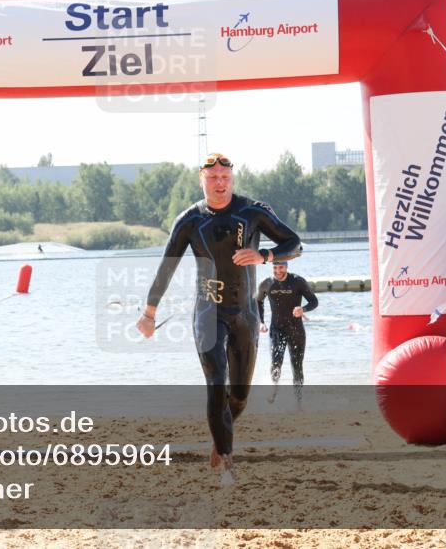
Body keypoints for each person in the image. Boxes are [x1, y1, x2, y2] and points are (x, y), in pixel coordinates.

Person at [136, 152, 302, 486]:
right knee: (216, 384)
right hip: (207, 311)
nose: (220, 183)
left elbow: (294, 244)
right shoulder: (190, 220)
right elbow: (167, 267)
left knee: (239, 396)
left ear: (232, 179)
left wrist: (264, 255)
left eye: (225, 176)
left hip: (245, 313)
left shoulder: (252, 212)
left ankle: (219, 436)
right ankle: (228, 463)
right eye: (213, 178)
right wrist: (149, 313)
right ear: (202, 180)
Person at [257, 260, 318, 405]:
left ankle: (298, 399)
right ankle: (274, 388)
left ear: (286, 266)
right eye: (275, 268)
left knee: (297, 365)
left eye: (281, 267)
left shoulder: (297, 281)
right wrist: (261, 322)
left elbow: (314, 301)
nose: (278, 271)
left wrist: (303, 309)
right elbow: (258, 302)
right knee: (276, 361)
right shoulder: (267, 283)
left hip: (296, 329)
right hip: (277, 329)